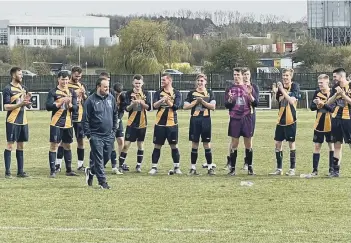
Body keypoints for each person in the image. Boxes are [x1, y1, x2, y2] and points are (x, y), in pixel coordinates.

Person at [83, 78, 118, 189]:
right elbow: (85, 118)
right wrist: (89, 135)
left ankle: (91, 171)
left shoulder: (111, 98)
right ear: (98, 87)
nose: (108, 89)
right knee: (99, 158)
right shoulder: (90, 100)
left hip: (109, 135)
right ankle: (103, 183)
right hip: (96, 135)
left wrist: (114, 130)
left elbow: (115, 114)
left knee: (106, 157)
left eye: (108, 86)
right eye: (105, 87)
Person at [224, 68, 259, 171]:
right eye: (234, 75)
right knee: (234, 143)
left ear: (242, 76)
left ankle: (249, 167)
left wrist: (250, 95)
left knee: (248, 143)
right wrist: (230, 100)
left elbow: (255, 103)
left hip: (247, 118)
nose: (236, 77)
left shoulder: (249, 88)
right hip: (235, 118)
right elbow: (226, 105)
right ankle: (232, 168)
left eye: (238, 75)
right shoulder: (230, 88)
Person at [55, 66, 88, 172]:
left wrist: (84, 95)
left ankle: (80, 165)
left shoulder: (82, 85)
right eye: (75, 76)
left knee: (80, 141)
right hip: (67, 116)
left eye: (79, 76)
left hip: (79, 116)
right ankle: (58, 165)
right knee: (62, 141)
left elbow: (85, 100)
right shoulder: (66, 85)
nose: (77, 78)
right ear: (71, 74)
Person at [46, 71, 78, 178]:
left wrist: (69, 104)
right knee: (54, 146)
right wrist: (60, 102)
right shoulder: (53, 92)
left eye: (66, 79)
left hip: (68, 123)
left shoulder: (72, 92)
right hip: (56, 123)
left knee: (67, 146)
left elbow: (75, 108)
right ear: (58, 79)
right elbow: (48, 106)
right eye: (62, 79)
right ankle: (52, 170)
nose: (65, 81)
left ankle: (68, 170)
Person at [149, 74, 182, 175]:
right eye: (161, 80)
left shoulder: (176, 93)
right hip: (160, 123)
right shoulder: (158, 93)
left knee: (174, 145)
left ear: (170, 80)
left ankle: (176, 167)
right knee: (157, 145)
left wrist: (168, 102)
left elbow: (176, 107)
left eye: (164, 80)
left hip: (172, 123)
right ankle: (154, 167)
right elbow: (154, 105)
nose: (162, 81)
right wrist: (162, 100)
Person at [183, 73, 216, 175]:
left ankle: (210, 167)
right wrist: (195, 103)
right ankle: (193, 168)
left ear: (205, 82)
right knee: (194, 144)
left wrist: (203, 102)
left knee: (206, 144)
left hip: (206, 120)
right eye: (198, 81)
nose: (200, 83)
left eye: (202, 81)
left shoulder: (210, 92)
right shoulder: (192, 93)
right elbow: (185, 106)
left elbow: (213, 107)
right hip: (195, 120)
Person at [117, 75, 151, 174]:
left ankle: (138, 166)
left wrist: (141, 102)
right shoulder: (128, 93)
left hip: (142, 122)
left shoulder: (146, 93)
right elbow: (127, 109)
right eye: (136, 83)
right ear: (133, 83)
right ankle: (120, 165)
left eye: (139, 83)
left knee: (140, 144)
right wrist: (133, 103)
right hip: (131, 122)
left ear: (142, 84)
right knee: (126, 145)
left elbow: (149, 107)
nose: (137, 85)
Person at [269, 68, 300, 176]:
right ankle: (279, 168)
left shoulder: (295, 86)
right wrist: (276, 92)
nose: (285, 78)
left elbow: (292, 101)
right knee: (278, 143)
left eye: (287, 76)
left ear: (291, 76)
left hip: (291, 120)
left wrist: (282, 91)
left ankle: (292, 168)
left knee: (291, 144)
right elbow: (277, 101)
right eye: (284, 76)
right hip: (280, 120)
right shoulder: (280, 88)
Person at [3, 67, 32, 178]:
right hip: (12, 121)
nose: (22, 76)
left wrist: (28, 100)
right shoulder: (7, 89)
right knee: (10, 145)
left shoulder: (24, 88)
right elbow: (6, 107)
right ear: (14, 75)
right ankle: (8, 172)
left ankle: (20, 171)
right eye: (20, 74)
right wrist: (19, 104)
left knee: (21, 145)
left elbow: (28, 105)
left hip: (23, 121)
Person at [326, 68, 351, 177]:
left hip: (348, 119)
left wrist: (343, 95)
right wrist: (336, 94)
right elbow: (328, 102)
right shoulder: (334, 88)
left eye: (335, 76)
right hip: (336, 118)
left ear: (341, 76)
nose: (334, 79)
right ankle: (336, 170)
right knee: (337, 144)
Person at [309, 74, 334, 176]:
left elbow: (333, 109)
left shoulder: (333, 93)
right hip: (319, 123)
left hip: (331, 123)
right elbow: (311, 107)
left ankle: (331, 169)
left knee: (331, 145)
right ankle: (315, 170)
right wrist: (316, 104)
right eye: (319, 82)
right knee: (317, 145)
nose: (320, 84)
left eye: (322, 82)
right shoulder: (317, 92)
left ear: (327, 82)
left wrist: (323, 104)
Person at [107, 82, 126, 174]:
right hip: (109, 120)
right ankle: (109, 161)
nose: (118, 95)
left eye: (119, 93)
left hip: (118, 120)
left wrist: (118, 119)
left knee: (121, 140)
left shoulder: (123, 97)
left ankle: (121, 162)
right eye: (116, 93)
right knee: (110, 141)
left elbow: (122, 110)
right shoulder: (109, 97)